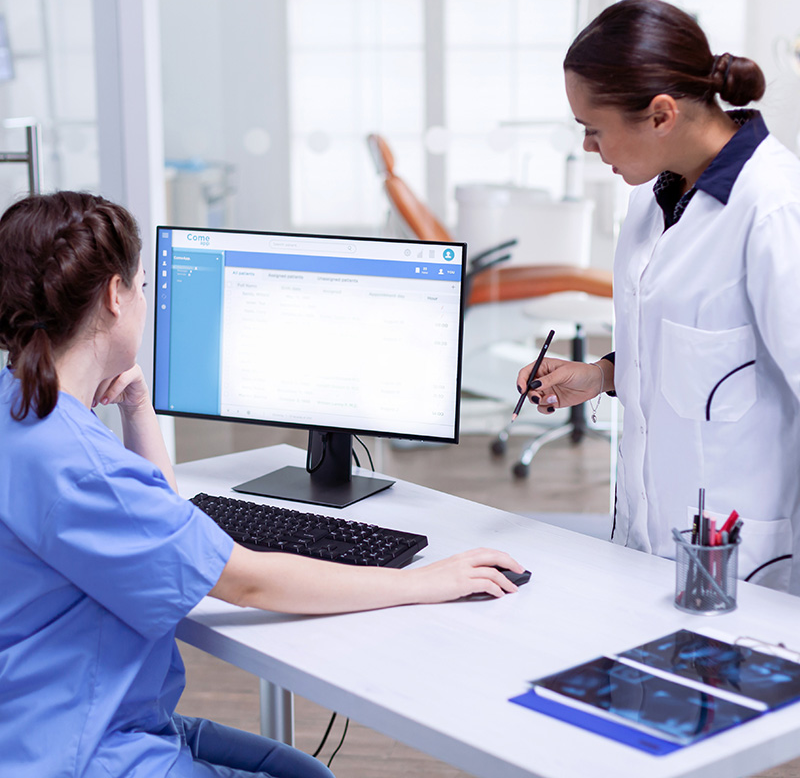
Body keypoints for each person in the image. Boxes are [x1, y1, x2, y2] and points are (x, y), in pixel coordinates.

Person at [0, 191, 524, 777]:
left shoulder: (22, 412)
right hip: (83, 750)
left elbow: (157, 520)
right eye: (143, 285)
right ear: (113, 297)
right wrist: (428, 581)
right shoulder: (86, 471)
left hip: (40, 722)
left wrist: (137, 406)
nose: (146, 300)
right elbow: (247, 583)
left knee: (308, 771)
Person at [517, 0, 800, 595]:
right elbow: (706, 354)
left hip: (742, 555)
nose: (590, 148)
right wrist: (603, 375)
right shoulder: (650, 198)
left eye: (594, 129)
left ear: (662, 114)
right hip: (644, 539)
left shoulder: (774, 209)